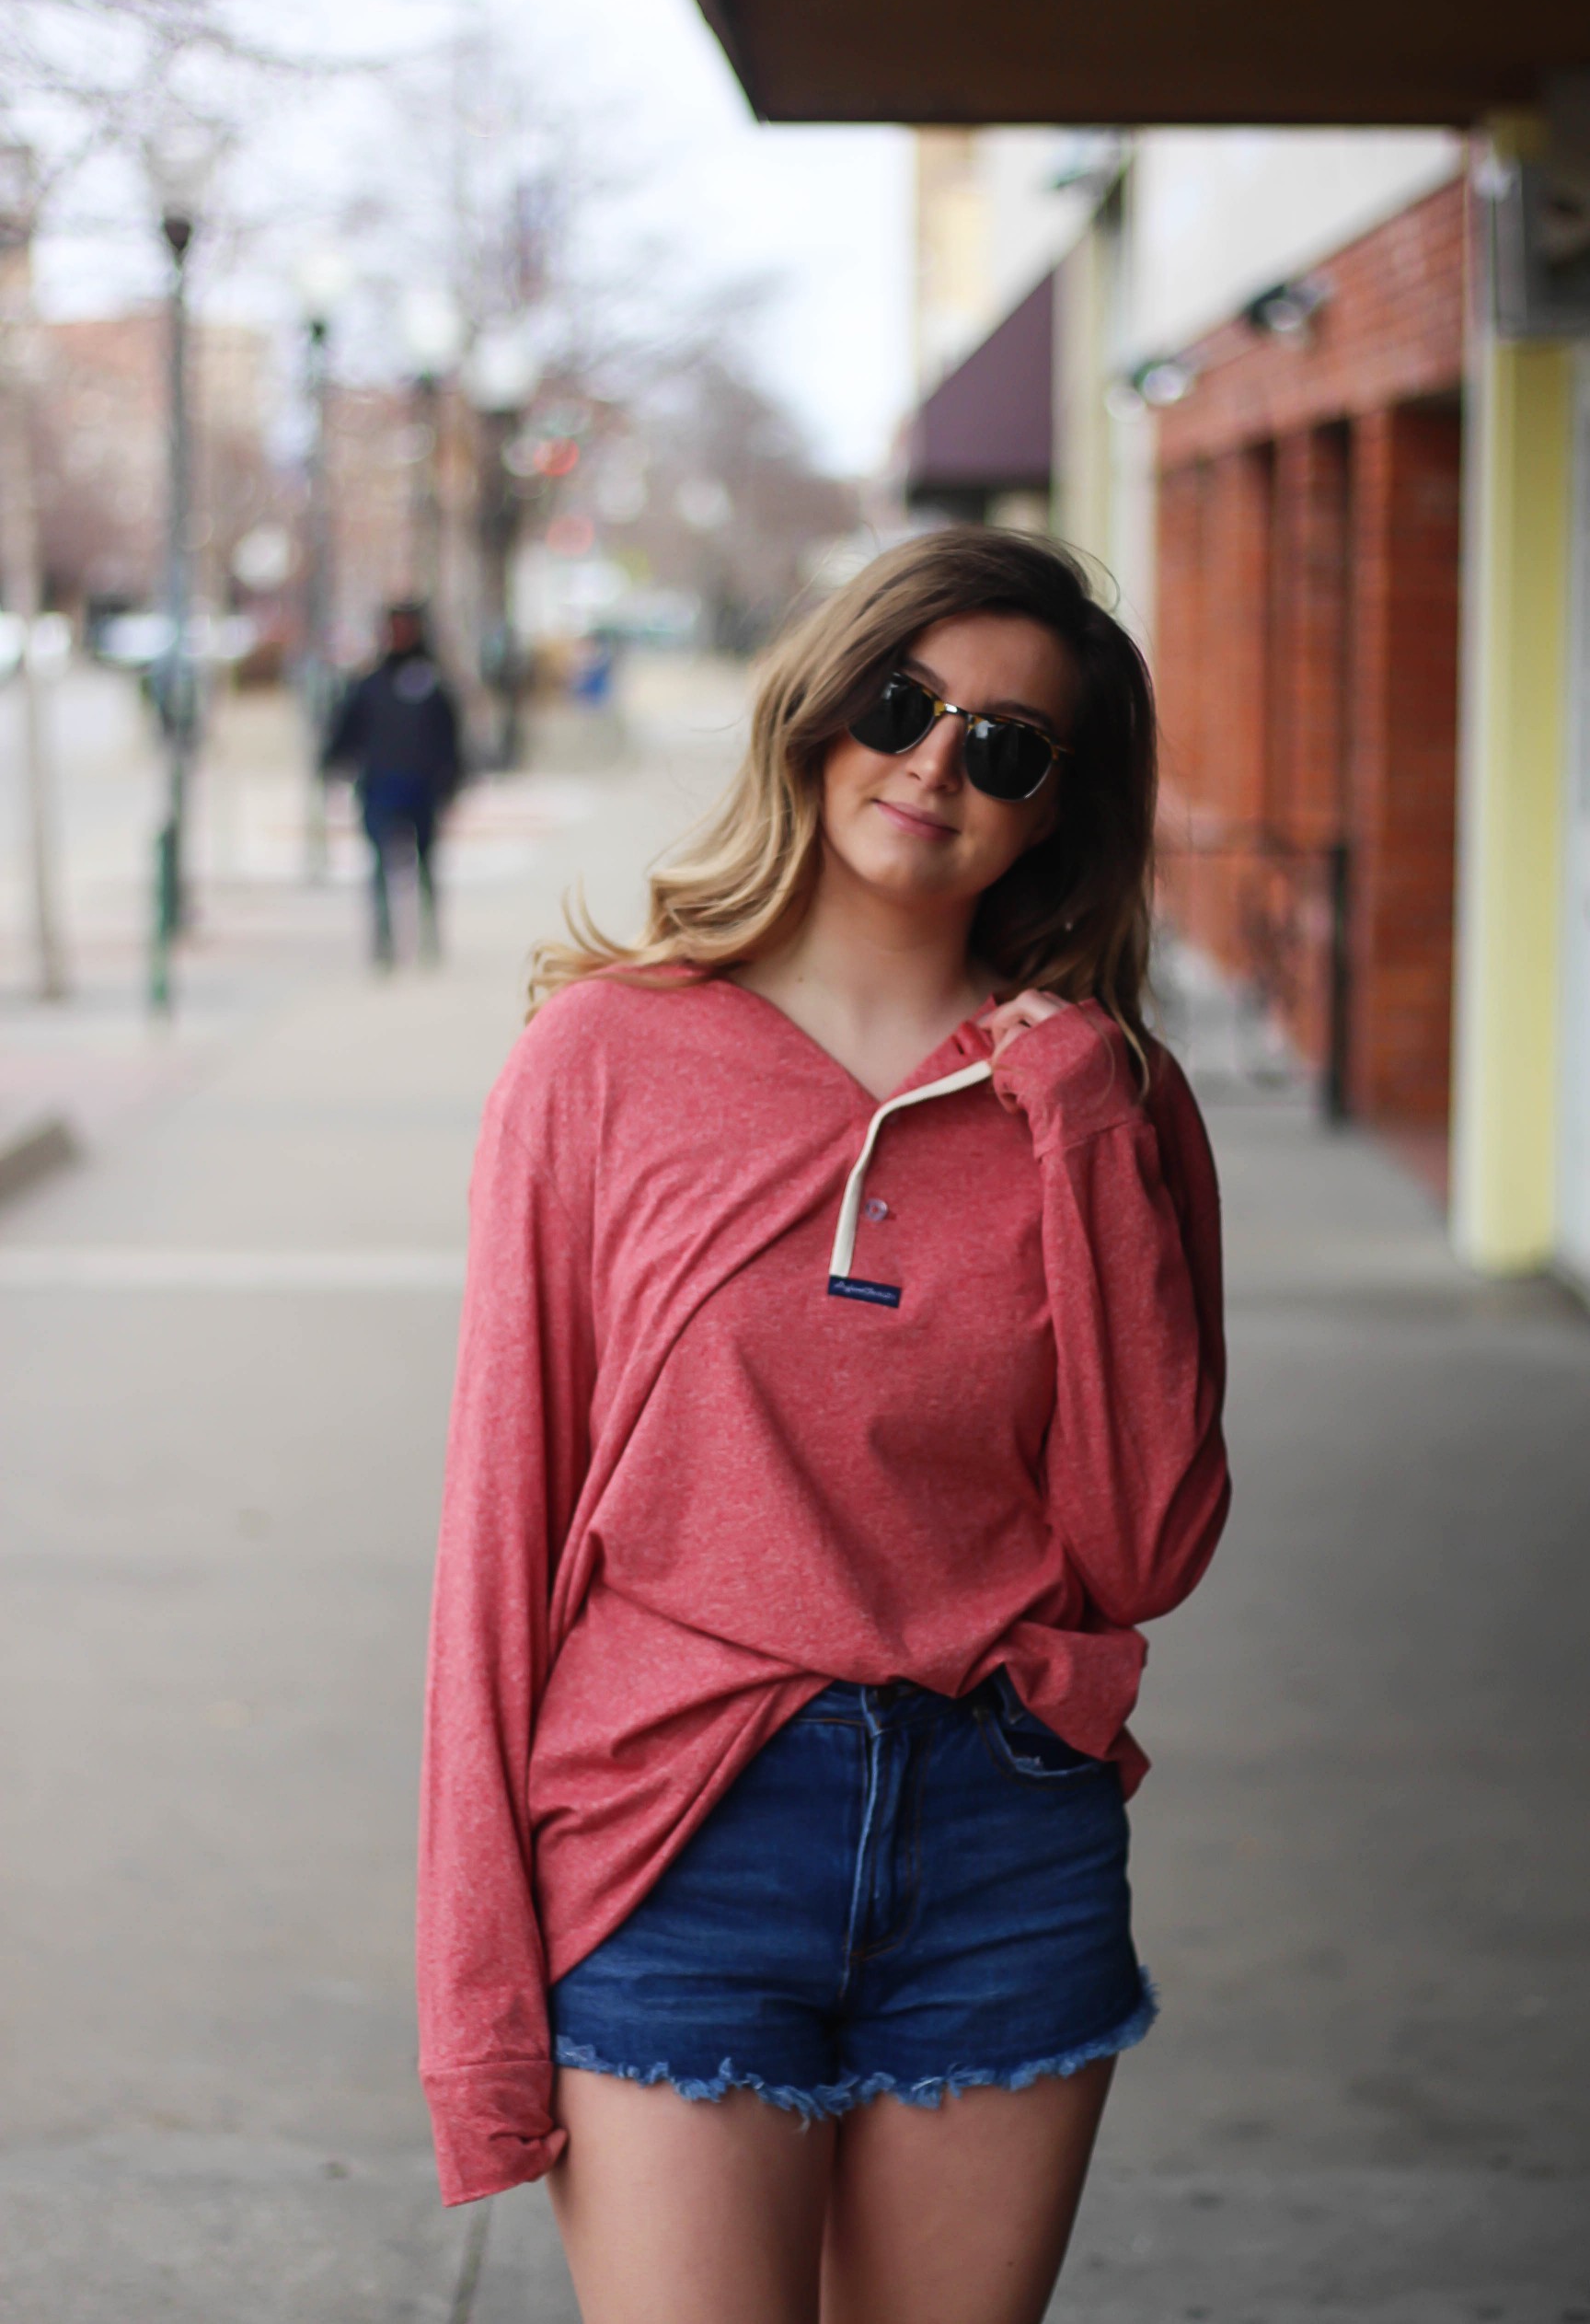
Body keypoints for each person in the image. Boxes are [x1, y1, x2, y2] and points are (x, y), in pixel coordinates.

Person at [418, 527, 1229, 2324]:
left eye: (1007, 744)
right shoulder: (606, 1061)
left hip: (1005, 1832)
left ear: (1055, 810)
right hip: (677, 1832)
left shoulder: (1115, 1102)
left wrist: (1080, 1122)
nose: (939, 762)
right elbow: (499, 1540)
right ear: (818, 712)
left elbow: (1143, 1543)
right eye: (902, 704)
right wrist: (475, 2007)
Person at [322, 602, 463, 966]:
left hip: (423, 787)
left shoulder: (433, 683)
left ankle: (430, 938)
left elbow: (450, 737)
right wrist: (334, 763)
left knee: (426, 866)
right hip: (381, 786)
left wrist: (451, 780)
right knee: (380, 868)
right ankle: (383, 941)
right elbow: (346, 730)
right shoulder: (370, 684)